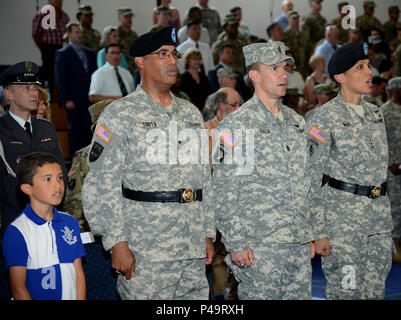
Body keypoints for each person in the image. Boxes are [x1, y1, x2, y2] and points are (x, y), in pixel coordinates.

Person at [82, 26, 215, 300]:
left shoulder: (190, 113)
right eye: (162, 54)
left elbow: (205, 178)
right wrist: (115, 242)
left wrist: (207, 232)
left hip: (191, 246)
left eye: (175, 54)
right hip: (146, 248)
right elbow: (100, 183)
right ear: (140, 61)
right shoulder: (120, 114)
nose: (172, 61)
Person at [212, 41, 314, 300]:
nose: (283, 74)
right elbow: (225, 189)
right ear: (255, 76)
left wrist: (311, 233)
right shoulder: (237, 125)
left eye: (284, 68)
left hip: (298, 242)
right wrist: (236, 242)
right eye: (274, 68)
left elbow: (308, 183)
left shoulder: (297, 122)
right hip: (259, 245)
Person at [306, 42, 393, 299]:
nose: (370, 72)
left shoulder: (376, 114)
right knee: (347, 291)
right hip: (342, 223)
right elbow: (309, 177)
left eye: (368, 66)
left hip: (378, 219)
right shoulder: (323, 118)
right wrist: (318, 231)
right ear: (340, 77)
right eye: (360, 67)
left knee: (376, 292)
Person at [2, 152, 86, 300]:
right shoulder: (17, 231)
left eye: (60, 177)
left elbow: (78, 274)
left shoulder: (70, 223)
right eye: (47, 179)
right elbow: (18, 289)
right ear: (28, 189)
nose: (58, 185)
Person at [0, 61, 67, 239]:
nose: (33, 93)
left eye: (35, 89)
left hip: (50, 216)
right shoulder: (2, 129)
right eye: (26, 88)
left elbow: (61, 171)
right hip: (16, 218)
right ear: (8, 94)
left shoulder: (46, 128)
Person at [203, 87, 240, 300]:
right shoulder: (206, 131)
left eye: (239, 105)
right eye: (233, 105)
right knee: (217, 258)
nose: (237, 109)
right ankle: (218, 297)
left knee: (239, 257)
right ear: (220, 106)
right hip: (215, 205)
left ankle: (234, 296)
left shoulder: (243, 131)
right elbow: (205, 170)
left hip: (240, 204)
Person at [55, 21, 97, 158]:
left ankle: (88, 160)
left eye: (81, 32)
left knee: (89, 130)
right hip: (73, 100)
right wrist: (66, 99)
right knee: (75, 131)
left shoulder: (90, 53)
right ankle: (75, 162)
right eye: (76, 32)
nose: (80, 34)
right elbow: (61, 79)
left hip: (89, 99)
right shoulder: (63, 53)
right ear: (68, 34)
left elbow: (94, 76)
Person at [381, 77, 401, 263]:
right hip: (392, 167)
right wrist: (389, 162)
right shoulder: (385, 111)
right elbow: (380, 140)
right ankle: (393, 245)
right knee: (394, 206)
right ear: (393, 90)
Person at [32, 0, 69, 100]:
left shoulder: (64, 16)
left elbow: (67, 35)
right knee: (50, 75)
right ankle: (50, 100)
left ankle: (60, 99)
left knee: (61, 74)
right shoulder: (42, 15)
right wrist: (43, 48)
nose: (57, 1)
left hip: (61, 48)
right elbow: (36, 34)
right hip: (48, 48)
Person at [283, 11, 308, 78]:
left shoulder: (302, 34)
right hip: (291, 66)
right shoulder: (284, 35)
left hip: (303, 66)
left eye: (297, 18)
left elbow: (306, 49)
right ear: (288, 20)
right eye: (293, 18)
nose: (296, 20)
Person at [117, 7, 138, 74]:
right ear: (119, 18)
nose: (129, 19)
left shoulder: (134, 35)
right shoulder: (116, 34)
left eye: (130, 16)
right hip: (122, 70)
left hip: (135, 70)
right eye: (126, 16)